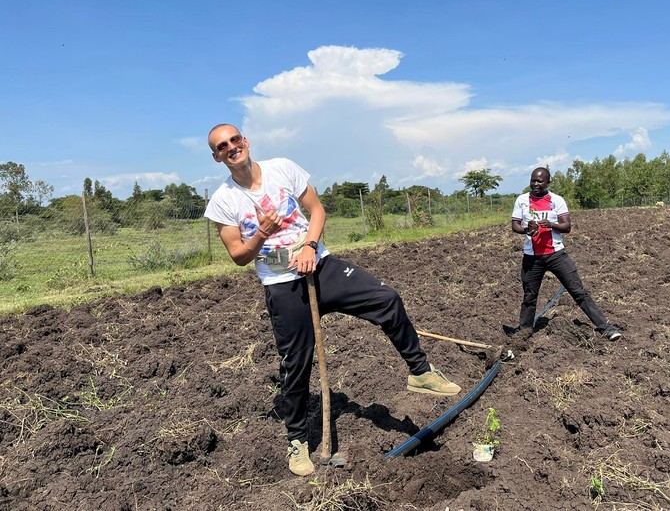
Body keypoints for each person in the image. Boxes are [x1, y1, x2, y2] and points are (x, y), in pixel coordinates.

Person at [203, 124, 461, 477]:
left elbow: (318, 211)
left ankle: (421, 372)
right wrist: (262, 232)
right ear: (217, 157)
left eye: (235, 140)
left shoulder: (283, 168)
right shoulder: (223, 200)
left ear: (245, 142)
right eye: (222, 146)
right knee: (296, 363)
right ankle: (297, 442)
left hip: (320, 266)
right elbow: (238, 255)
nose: (232, 148)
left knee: (387, 299)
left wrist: (309, 246)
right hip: (282, 283)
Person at [510, 167, 622, 341]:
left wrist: (551, 224)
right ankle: (523, 334)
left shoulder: (557, 200)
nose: (536, 184)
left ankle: (605, 328)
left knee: (577, 291)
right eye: (533, 180)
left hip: (556, 254)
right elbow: (514, 224)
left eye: (540, 181)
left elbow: (567, 227)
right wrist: (526, 229)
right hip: (532, 258)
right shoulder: (522, 200)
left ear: (548, 182)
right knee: (529, 296)